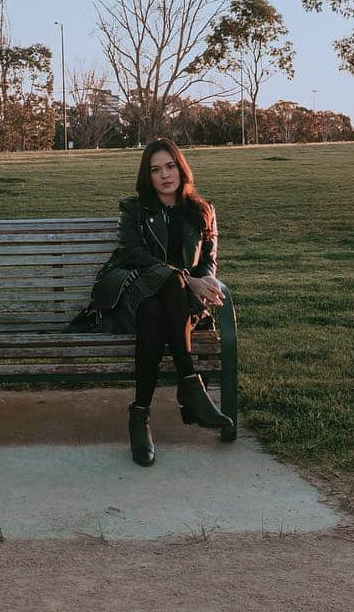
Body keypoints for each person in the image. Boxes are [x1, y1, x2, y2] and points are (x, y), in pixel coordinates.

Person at [71, 138, 233, 466]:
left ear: (181, 168)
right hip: (137, 293)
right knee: (164, 289)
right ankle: (191, 388)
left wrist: (204, 281)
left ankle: (139, 415)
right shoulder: (134, 209)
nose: (164, 175)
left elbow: (208, 264)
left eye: (170, 166)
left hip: (180, 308)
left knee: (155, 313)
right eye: (155, 169)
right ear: (148, 175)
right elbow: (132, 254)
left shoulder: (203, 210)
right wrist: (187, 278)